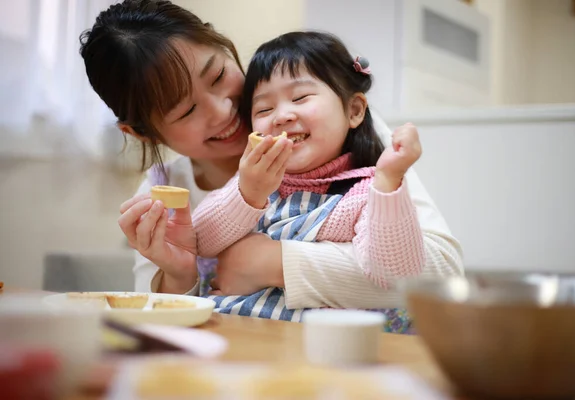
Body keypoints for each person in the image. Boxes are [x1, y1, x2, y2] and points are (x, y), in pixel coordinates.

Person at [80, 0, 463, 333]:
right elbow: (163, 329)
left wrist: (275, 262)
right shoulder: (162, 200)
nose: (225, 110)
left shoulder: (340, 131)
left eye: (217, 76)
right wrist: (180, 275)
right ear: (143, 133)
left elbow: (440, 274)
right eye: (188, 110)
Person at [194, 31, 425, 295]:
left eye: (300, 98)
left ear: (354, 111)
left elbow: (396, 275)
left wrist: (387, 181)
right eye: (264, 109)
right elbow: (200, 241)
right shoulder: (251, 184)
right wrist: (247, 194)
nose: (281, 116)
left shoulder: (365, 193)